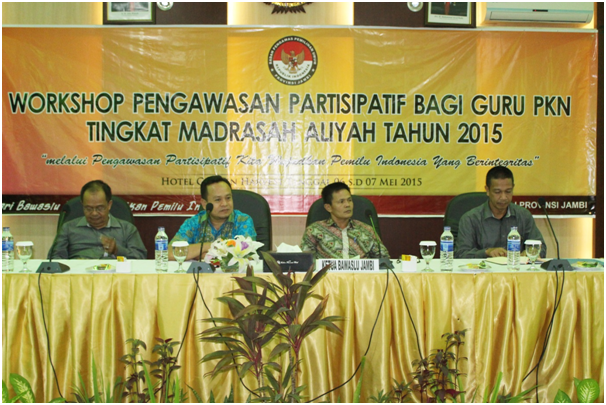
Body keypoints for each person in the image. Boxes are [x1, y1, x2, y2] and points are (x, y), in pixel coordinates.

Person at [455, 166, 546, 259]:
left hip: (515, 271)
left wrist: (530, 252)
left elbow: (541, 247)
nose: (503, 197)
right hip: (482, 272)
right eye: (497, 192)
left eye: (508, 191)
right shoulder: (470, 219)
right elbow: (461, 254)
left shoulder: (523, 215)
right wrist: (487, 252)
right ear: (487, 190)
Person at [50, 180, 147, 260]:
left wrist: (117, 251)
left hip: (114, 279)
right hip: (79, 278)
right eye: (88, 208)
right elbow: (54, 259)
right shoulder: (68, 228)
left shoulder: (127, 229)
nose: (94, 213)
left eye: (100, 208)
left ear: (109, 205)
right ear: (82, 205)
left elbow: (141, 258)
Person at [169, 175, 256, 260]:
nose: (225, 204)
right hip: (200, 274)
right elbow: (169, 252)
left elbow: (247, 254)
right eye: (218, 200)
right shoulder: (193, 223)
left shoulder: (243, 221)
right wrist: (210, 245)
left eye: (228, 198)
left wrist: (198, 255)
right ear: (204, 203)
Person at [300, 182, 389, 259]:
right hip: (328, 278)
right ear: (328, 207)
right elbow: (305, 262)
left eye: (349, 200)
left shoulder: (366, 230)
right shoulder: (314, 230)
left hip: (361, 277)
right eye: (341, 202)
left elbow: (384, 260)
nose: (347, 205)